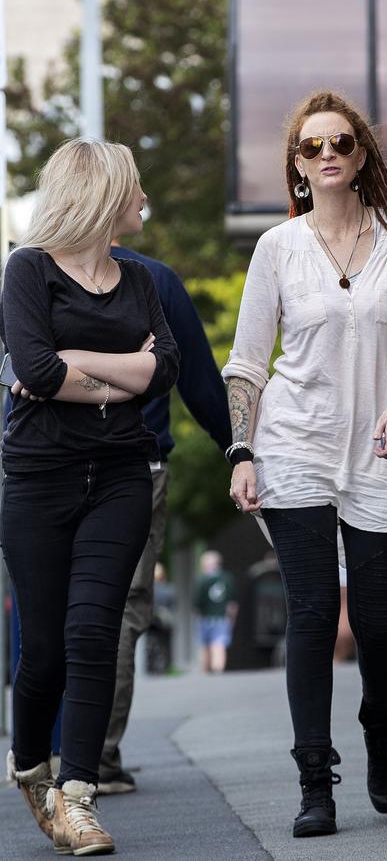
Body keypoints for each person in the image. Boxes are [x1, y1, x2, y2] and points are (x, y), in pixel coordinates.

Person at [223, 90, 387, 838]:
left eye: (340, 143)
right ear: (296, 164)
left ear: (360, 157)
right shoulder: (276, 250)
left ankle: (380, 720)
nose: (327, 155)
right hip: (297, 443)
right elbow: (247, 364)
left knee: (380, 623)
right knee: (313, 613)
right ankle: (315, 780)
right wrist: (244, 449)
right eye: (312, 146)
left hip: (385, 445)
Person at [1, 138, 179, 855]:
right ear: (100, 193)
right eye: (134, 188)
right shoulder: (27, 270)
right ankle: (29, 768)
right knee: (43, 649)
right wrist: (118, 372)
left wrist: (77, 363)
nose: (144, 201)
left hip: (120, 473)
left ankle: (78, 795)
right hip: (39, 478)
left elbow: (163, 368)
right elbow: (36, 370)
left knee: (92, 630)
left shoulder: (138, 279)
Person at [97, 242, 231, 795]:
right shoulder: (155, 279)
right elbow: (199, 383)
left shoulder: (34, 272)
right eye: (135, 193)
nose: (146, 202)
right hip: (136, 466)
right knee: (122, 608)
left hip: (49, 466)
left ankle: (47, 748)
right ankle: (97, 757)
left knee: (56, 606)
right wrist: (241, 449)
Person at [193, 550, 238, 674]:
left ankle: (205, 672)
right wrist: (232, 619)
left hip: (205, 617)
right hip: (222, 618)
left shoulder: (202, 580)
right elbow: (232, 604)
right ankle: (218, 671)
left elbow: (197, 603)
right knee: (219, 645)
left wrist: (196, 617)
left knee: (204, 646)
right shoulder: (227, 578)